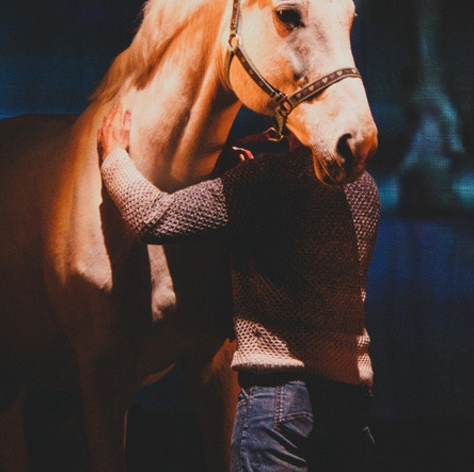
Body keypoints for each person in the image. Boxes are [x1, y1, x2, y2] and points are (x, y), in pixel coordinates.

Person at [96, 104, 380, 471]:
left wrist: (114, 157)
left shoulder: (265, 181)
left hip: (279, 399)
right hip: (349, 401)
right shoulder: (366, 187)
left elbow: (155, 217)